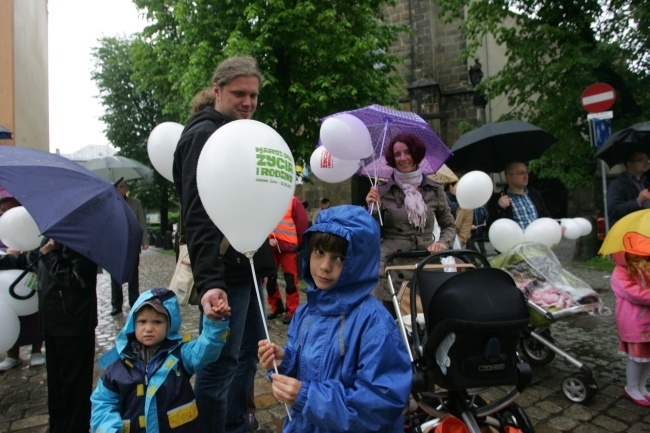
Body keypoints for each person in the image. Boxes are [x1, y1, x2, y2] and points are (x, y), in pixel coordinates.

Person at [173, 55, 275, 433]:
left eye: (254, 95)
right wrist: (210, 281)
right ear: (217, 91)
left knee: (247, 357)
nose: (248, 102)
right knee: (221, 365)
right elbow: (196, 216)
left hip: (246, 267)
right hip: (225, 273)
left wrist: (262, 269)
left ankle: (236, 424)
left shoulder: (239, 133)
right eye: (238, 94)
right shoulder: (205, 135)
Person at [257, 205, 412, 432]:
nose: (325, 267)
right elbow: (309, 364)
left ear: (358, 262)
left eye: (339, 258)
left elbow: (382, 401)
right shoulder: (305, 312)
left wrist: (307, 396)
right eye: (319, 252)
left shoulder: (373, 322)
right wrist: (285, 361)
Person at [90, 288, 231, 432]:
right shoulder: (117, 366)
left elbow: (206, 349)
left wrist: (215, 323)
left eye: (157, 322)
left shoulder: (181, 355)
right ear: (133, 324)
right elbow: (103, 403)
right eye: (142, 321)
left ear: (169, 326)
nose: (148, 328)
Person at [0, 237, 98, 433]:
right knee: (56, 386)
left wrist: (51, 254)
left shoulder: (84, 243)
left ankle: (76, 428)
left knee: (75, 387)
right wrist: (7, 260)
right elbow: (29, 260)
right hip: (51, 324)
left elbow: (76, 279)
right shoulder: (49, 239)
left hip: (74, 326)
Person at [365, 132, 457, 315]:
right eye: (397, 154)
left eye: (407, 152)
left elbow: (449, 225)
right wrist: (372, 209)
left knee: (430, 320)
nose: (403, 158)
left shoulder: (434, 189)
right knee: (395, 326)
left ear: (416, 153)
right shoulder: (381, 191)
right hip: (392, 268)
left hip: (426, 265)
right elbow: (371, 232)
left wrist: (442, 243)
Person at [0, 194, 45, 370]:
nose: (5, 213)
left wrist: (21, 254)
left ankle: (37, 350)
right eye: (2, 210)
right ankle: (12, 354)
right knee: (10, 314)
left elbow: (38, 251)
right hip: (5, 283)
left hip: (30, 278)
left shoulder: (30, 224)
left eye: (9, 209)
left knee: (35, 313)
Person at [610, 238, 650, 407]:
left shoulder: (645, 268)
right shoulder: (620, 272)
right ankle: (632, 386)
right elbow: (633, 293)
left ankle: (642, 385)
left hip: (647, 320)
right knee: (637, 356)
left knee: (648, 356)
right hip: (634, 322)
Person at [266, 195, 308, 325]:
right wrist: (267, 240)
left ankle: (292, 311)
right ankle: (276, 307)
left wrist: (299, 244)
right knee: (270, 281)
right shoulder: (266, 200)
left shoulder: (293, 201)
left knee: (290, 281)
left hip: (288, 248)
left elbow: (302, 222)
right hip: (271, 247)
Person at [111, 179, 149, 315]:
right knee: (115, 276)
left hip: (132, 245)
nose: (120, 189)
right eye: (117, 187)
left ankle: (134, 302)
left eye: (122, 187)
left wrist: (145, 240)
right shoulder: (110, 203)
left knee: (133, 276)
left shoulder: (135, 203)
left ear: (126, 188)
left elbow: (142, 223)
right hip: (115, 245)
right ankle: (116, 304)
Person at [487, 161, 549, 230]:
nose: (526, 176)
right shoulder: (498, 199)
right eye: (521, 173)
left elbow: (546, 216)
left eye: (527, 172)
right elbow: (491, 226)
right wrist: (499, 208)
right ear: (509, 177)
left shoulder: (535, 194)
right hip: (516, 239)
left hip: (539, 237)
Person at [607, 150, 650, 226]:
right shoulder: (618, 184)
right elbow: (614, 210)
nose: (645, 162)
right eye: (641, 160)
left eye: (646, 159)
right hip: (629, 231)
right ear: (629, 164)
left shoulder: (646, 182)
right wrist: (638, 201)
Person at [445, 178, 473, 248]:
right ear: (451, 186)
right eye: (460, 185)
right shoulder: (440, 200)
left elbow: (464, 236)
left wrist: (450, 247)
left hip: (453, 248)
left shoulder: (467, 208)